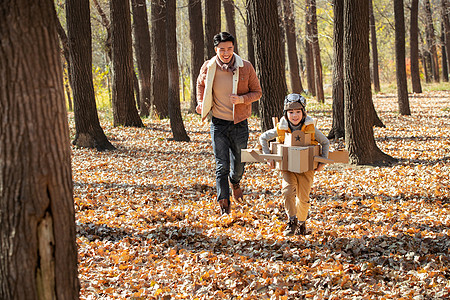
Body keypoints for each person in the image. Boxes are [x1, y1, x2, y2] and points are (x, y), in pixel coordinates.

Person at [196, 32, 262, 215]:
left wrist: (241, 99)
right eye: (222, 49)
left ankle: (235, 182)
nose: (226, 53)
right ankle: (224, 205)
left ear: (234, 48)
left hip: (239, 123)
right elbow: (200, 85)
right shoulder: (208, 67)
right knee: (221, 165)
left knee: (239, 164)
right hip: (218, 123)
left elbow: (257, 92)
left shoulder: (245, 67)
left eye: (230, 49)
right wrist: (201, 102)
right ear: (216, 49)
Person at [259, 93, 329, 236]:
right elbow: (263, 138)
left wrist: (322, 161)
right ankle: (292, 220)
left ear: (303, 113)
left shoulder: (310, 128)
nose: (294, 115)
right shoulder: (281, 127)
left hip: (306, 168)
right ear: (286, 113)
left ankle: (302, 222)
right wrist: (269, 158)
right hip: (288, 167)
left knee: (303, 199)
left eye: (298, 112)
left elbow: (325, 142)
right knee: (287, 192)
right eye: (291, 112)